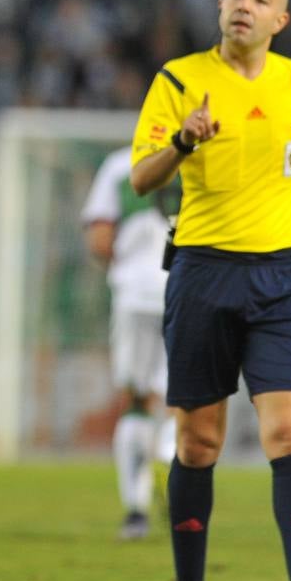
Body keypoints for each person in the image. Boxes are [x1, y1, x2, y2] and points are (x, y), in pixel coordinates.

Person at [130, 0, 291, 581]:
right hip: (202, 273)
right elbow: (141, 177)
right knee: (199, 442)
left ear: (281, 20)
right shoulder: (177, 79)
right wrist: (184, 139)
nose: (242, 6)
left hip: (282, 278)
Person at [81, 147, 177, 540]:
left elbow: (100, 239)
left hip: (135, 293)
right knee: (182, 399)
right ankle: (169, 460)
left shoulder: (121, 165)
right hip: (188, 289)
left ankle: (135, 509)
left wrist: (122, 264)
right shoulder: (206, 153)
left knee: (135, 399)